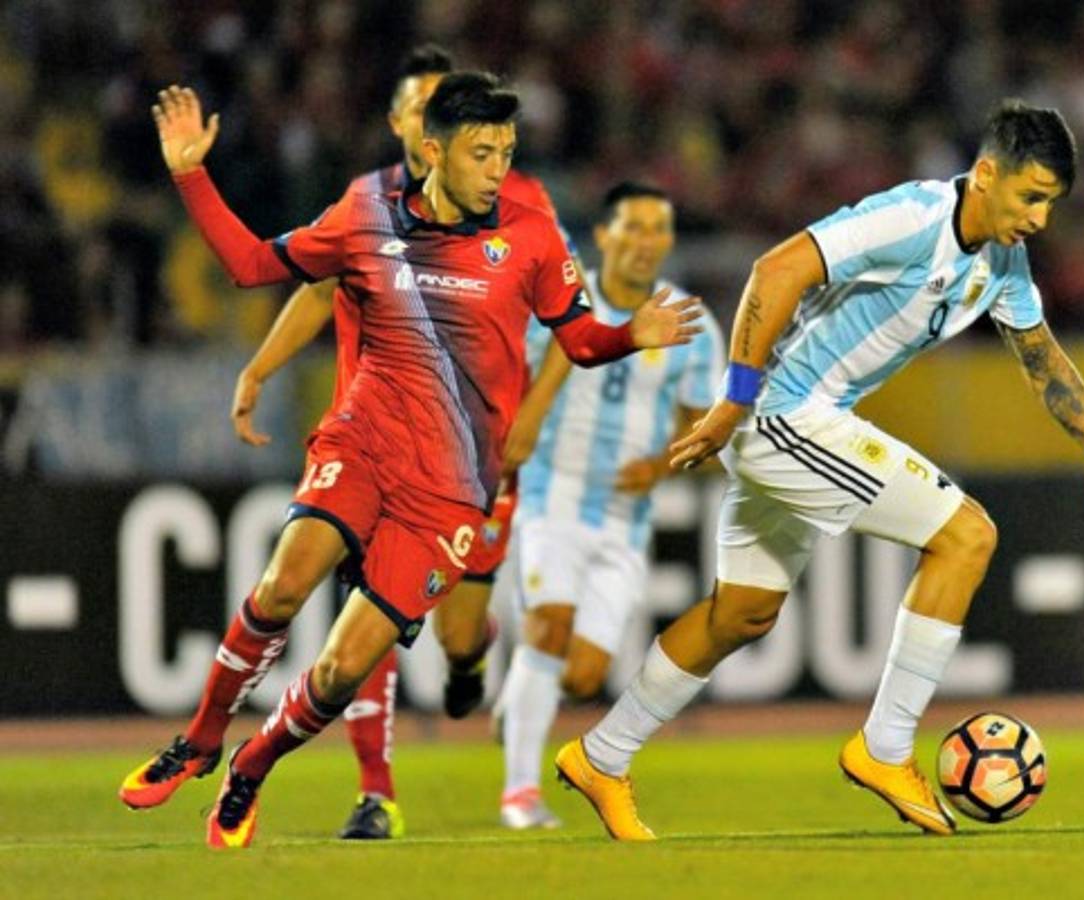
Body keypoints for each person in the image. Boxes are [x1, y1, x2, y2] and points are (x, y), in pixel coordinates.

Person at [123, 75, 701, 850]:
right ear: (432, 150)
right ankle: (199, 739)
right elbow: (253, 267)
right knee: (283, 584)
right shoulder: (363, 215)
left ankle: (251, 767)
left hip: (452, 490)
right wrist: (190, 173)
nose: (498, 168)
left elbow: (581, 340)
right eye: (480, 151)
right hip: (362, 445)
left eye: (506, 151)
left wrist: (633, 333)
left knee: (337, 673)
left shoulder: (530, 238)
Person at [554, 100, 1084, 840]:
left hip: (801, 419)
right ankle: (884, 748)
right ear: (987, 173)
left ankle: (601, 755)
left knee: (739, 614)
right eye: (1030, 197)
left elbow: (1041, 362)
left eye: (1050, 205)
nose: (1038, 219)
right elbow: (777, 268)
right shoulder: (911, 219)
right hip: (784, 415)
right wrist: (733, 400)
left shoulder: (1003, 261)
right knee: (966, 537)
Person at [226, 44, 577, 841]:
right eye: (417, 114)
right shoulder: (365, 214)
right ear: (404, 129)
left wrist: (530, 416)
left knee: (457, 634)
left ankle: (465, 666)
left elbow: (567, 318)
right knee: (361, 612)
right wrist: (259, 368)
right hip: (377, 442)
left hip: (474, 459)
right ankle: (374, 791)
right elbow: (313, 288)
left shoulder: (517, 202)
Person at [493, 182, 723, 829]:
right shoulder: (560, 297)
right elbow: (516, 377)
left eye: (659, 229)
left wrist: (659, 465)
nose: (647, 241)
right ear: (602, 235)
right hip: (550, 492)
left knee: (583, 675)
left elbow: (700, 426)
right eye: (634, 226)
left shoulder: (691, 324)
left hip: (625, 518)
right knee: (548, 627)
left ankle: (518, 702)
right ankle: (519, 794)